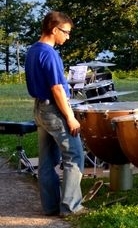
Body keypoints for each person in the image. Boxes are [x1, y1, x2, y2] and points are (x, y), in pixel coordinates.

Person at [25, 11, 86, 216]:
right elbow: (57, 88)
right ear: (54, 29)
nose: (67, 37)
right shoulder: (49, 53)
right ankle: (71, 207)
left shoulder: (33, 50)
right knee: (74, 155)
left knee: (46, 161)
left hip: (40, 109)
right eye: (66, 32)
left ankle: (50, 207)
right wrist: (70, 117)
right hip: (54, 110)